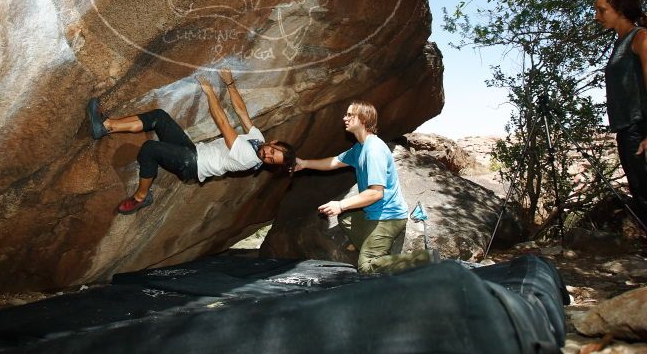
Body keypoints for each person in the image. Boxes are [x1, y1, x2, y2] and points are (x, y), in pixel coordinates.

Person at [87, 69, 296, 214]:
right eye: (272, 152)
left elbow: (224, 124)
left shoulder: (249, 158)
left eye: (270, 160)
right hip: (193, 150)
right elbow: (242, 113)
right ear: (273, 142)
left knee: (149, 149)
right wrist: (229, 83)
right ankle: (105, 126)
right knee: (159, 117)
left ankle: (141, 197)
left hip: (193, 165)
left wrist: (209, 91)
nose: (266, 155)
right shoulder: (258, 140)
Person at [294, 100, 435, 273]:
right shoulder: (360, 147)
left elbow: (376, 194)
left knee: (366, 267)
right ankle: (374, 249)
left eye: (350, 115)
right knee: (345, 218)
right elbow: (334, 162)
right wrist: (305, 163)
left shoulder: (373, 150)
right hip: (372, 212)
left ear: (363, 119)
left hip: (388, 217)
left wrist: (340, 205)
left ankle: (424, 260)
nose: (344, 118)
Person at [595, 0, 647, 219]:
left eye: (602, 10)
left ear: (620, 10)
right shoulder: (620, 42)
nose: (597, 16)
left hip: (640, 128)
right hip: (627, 129)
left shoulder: (640, 37)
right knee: (640, 194)